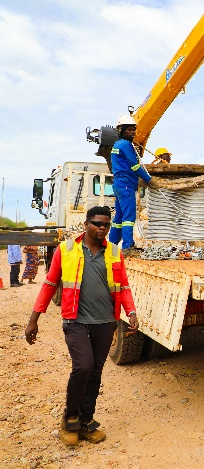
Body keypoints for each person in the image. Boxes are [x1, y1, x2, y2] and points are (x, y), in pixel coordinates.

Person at [24, 206, 140, 447]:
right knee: (83, 366)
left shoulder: (115, 253)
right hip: (75, 320)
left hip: (106, 322)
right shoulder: (66, 250)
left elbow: (124, 286)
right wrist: (34, 319)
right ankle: (70, 418)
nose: (102, 228)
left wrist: (131, 312)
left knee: (95, 372)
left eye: (107, 225)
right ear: (86, 224)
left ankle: (86, 421)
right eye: (97, 223)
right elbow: (49, 284)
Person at [109, 114, 157, 255]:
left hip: (118, 184)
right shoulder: (126, 145)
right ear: (121, 130)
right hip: (126, 185)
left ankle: (111, 247)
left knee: (118, 218)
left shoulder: (117, 145)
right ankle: (128, 246)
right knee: (128, 217)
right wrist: (149, 179)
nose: (133, 132)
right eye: (129, 129)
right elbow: (134, 166)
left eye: (133, 129)